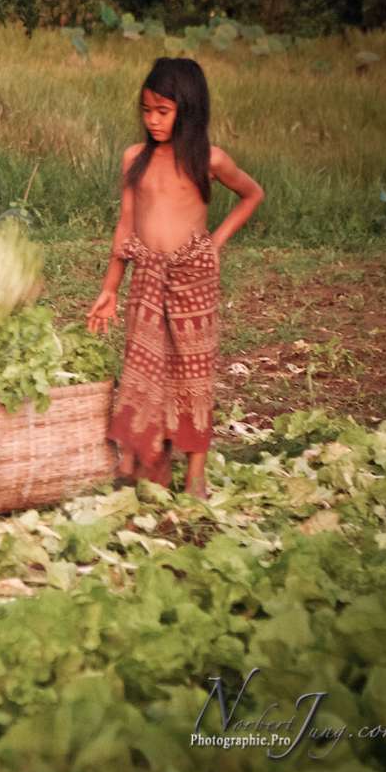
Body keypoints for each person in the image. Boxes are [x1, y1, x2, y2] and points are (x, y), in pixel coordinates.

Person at [86, 57, 264, 499]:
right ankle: (145, 462)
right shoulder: (134, 158)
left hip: (192, 278)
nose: (152, 120)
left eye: (162, 112)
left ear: (188, 109)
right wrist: (109, 288)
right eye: (146, 111)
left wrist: (215, 242)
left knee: (192, 370)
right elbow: (125, 226)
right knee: (144, 369)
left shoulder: (210, 159)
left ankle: (196, 477)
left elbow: (252, 194)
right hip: (146, 277)